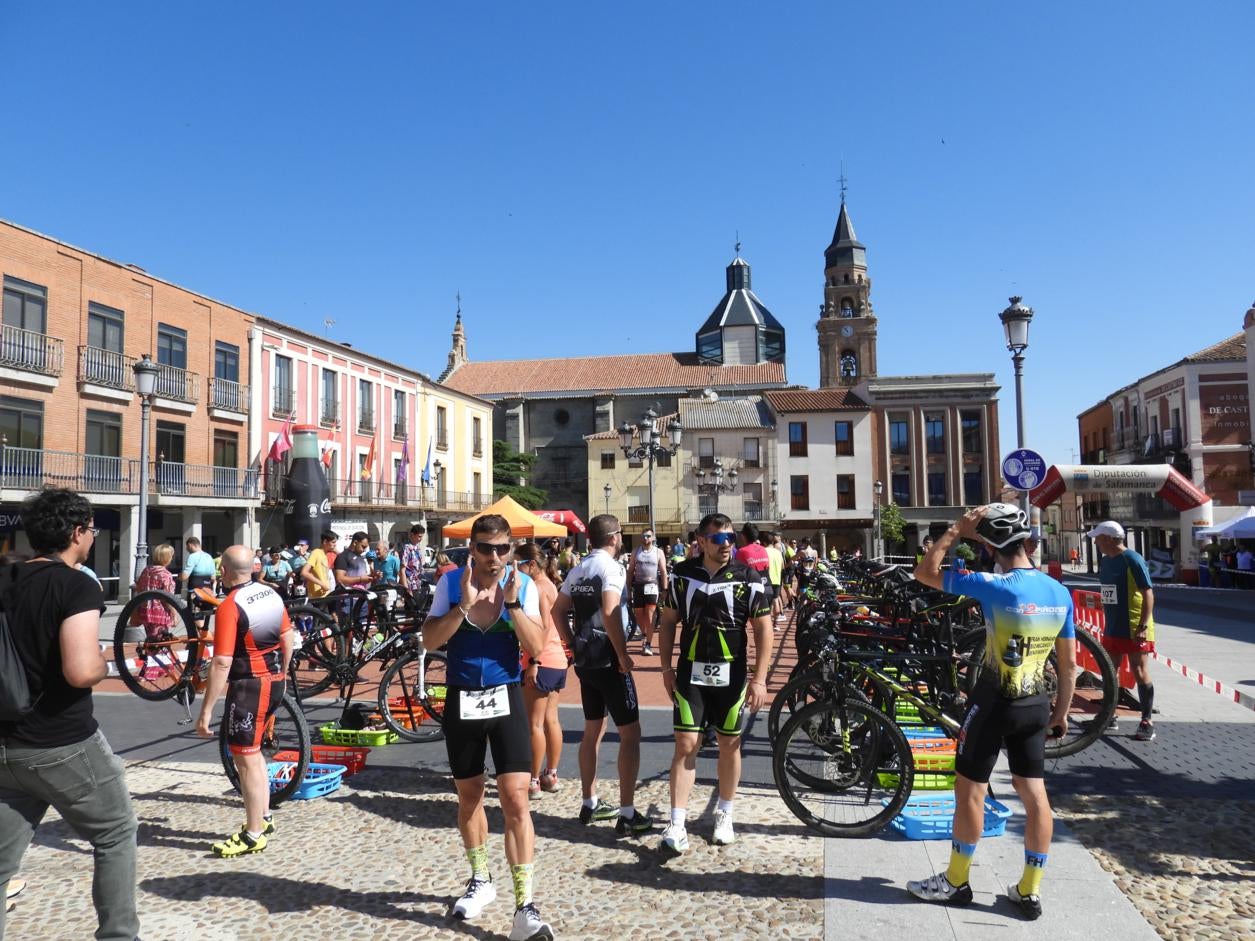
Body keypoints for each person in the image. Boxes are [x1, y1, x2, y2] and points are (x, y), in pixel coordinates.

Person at [907, 504, 1075, 920]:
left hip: (994, 700)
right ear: (1027, 542)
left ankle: (956, 880)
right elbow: (1070, 666)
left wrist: (955, 532)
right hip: (1037, 703)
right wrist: (1061, 713)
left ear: (992, 546)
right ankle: (1028, 890)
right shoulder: (1059, 592)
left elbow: (926, 572)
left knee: (970, 791)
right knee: (1035, 795)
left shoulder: (998, 586)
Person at [0, 489, 139, 940]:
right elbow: (80, 671)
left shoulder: (7, 578)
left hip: (6, 741)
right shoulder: (76, 583)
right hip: (60, 739)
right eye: (92, 530)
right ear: (77, 532)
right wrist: (101, 659)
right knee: (115, 832)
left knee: (1, 864)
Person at [421, 515, 553, 941]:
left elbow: (536, 647)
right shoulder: (450, 583)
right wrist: (461, 605)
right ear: (472, 549)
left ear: (511, 549)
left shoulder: (523, 585)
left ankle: (525, 906)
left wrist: (512, 606)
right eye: (485, 548)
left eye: (501, 548)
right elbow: (429, 640)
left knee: (516, 798)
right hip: (462, 698)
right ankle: (480, 879)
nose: (493, 557)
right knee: (470, 796)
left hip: (506, 697)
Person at [657, 513, 773, 855]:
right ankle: (677, 822)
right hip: (690, 671)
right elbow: (667, 623)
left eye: (731, 539)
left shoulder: (748, 577)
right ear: (702, 541)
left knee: (729, 743)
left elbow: (764, 629)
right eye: (719, 539)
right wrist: (665, 669)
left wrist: (761, 679)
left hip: (732, 673)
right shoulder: (682, 574)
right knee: (685, 743)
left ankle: (724, 813)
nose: (727, 546)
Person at [551, 515, 651, 837]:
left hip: (585, 659)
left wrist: (570, 641)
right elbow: (610, 610)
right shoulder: (612, 567)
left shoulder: (579, 568)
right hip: (608, 660)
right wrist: (622, 653)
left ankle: (589, 803)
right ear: (615, 536)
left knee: (592, 728)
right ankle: (627, 813)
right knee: (631, 735)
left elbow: (557, 609)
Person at [194, 545, 294, 857]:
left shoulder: (229, 606)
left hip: (249, 685)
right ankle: (263, 817)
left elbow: (221, 662)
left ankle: (253, 834)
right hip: (274, 679)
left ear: (223, 571)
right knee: (255, 755)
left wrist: (206, 710)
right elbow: (288, 637)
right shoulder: (269, 594)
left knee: (246, 758)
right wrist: (284, 671)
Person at [1090, 521, 1157, 741]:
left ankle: (1146, 721)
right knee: (1110, 671)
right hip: (1113, 624)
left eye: (1098, 538)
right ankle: (1109, 715)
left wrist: (1143, 625)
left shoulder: (1132, 560)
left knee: (1139, 670)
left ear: (1109, 538)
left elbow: (1148, 592)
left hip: (1134, 624)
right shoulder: (1105, 562)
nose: (1095, 541)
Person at [514, 543, 567, 798]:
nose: (515, 569)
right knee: (551, 720)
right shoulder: (551, 585)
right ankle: (551, 774)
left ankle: (533, 780)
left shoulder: (536, 587)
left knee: (533, 724)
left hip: (542, 659)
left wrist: (533, 660)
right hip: (557, 659)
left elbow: (543, 627)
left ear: (531, 565)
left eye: (518, 564)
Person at [627, 529, 668, 657]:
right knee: (639, 614)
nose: (646, 538)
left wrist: (665, 589)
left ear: (653, 538)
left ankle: (648, 643)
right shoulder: (636, 551)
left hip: (652, 585)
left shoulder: (658, 552)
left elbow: (663, 571)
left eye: (648, 536)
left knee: (650, 614)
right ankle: (644, 636)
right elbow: (630, 571)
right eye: (644, 536)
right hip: (638, 585)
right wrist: (627, 588)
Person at [133, 543, 177, 640]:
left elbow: (139, 587)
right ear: (167, 558)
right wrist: (174, 613)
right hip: (159, 611)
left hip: (145, 609)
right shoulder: (166, 574)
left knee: (151, 637)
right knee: (159, 639)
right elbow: (168, 597)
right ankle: (151, 653)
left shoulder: (147, 570)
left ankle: (148, 652)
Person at [302, 531, 336, 600]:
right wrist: (321, 584)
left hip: (325, 595)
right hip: (316, 597)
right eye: (333, 542)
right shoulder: (316, 553)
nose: (335, 545)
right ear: (325, 542)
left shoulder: (324, 555)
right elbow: (304, 572)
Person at [763, 532, 784, 619]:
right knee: (775, 599)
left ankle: (768, 622)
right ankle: (776, 622)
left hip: (767, 579)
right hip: (777, 579)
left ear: (764, 542)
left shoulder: (764, 551)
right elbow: (782, 566)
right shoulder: (778, 552)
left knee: (766, 603)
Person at [401, 524, 427, 593]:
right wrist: (406, 588)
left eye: (422, 536)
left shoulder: (417, 548)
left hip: (417, 584)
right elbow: (402, 570)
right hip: (409, 585)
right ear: (412, 534)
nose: (421, 539)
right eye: (419, 536)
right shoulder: (407, 548)